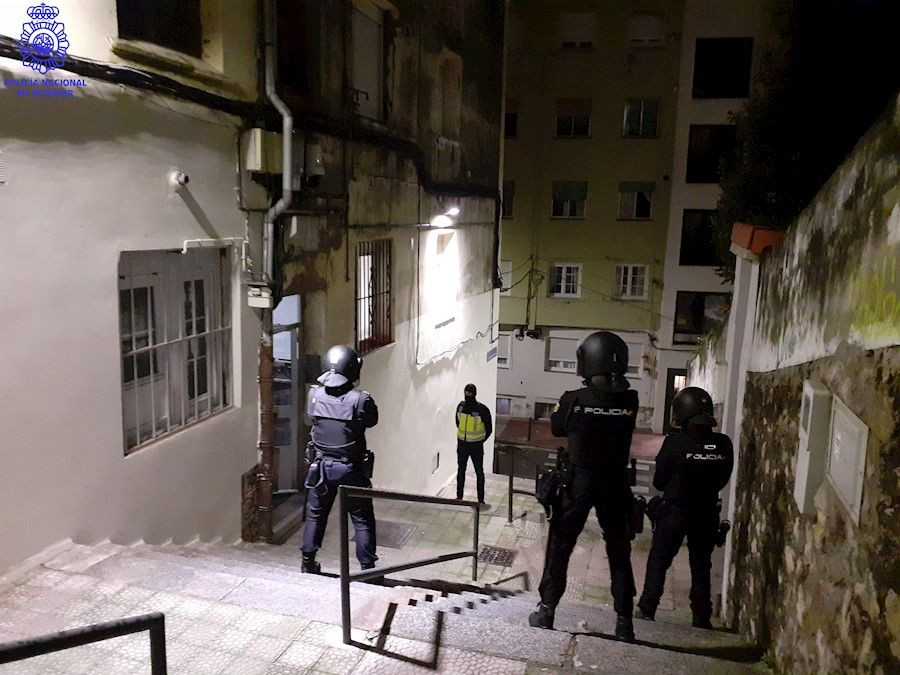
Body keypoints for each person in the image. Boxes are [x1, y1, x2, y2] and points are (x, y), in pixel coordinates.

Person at [529, 331, 639, 641]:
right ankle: (624, 622)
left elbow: (557, 427)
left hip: (578, 482)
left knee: (560, 546)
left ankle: (547, 611)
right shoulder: (630, 400)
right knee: (619, 551)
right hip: (615, 483)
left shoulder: (573, 399)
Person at [636, 386, 734, 629]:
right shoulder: (723, 443)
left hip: (675, 511)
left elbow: (659, 481)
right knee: (701, 564)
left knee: (659, 559)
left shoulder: (675, 443)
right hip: (707, 511)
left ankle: (648, 607)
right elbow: (723, 479)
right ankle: (701, 617)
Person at [300, 345, 379, 574]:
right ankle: (367, 570)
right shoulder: (361, 400)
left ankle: (307, 562)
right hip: (350, 469)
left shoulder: (314, 395)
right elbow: (372, 421)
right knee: (362, 519)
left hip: (320, 468)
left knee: (315, 515)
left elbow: (311, 419)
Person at [455, 383, 493, 506]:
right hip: (462, 444)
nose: (467, 395)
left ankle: (480, 500)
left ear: (475, 394)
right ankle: (459, 497)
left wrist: (480, 440)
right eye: (466, 393)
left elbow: (489, 429)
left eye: (470, 393)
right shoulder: (460, 407)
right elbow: (457, 422)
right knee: (461, 470)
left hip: (476, 446)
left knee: (479, 472)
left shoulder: (482, 409)